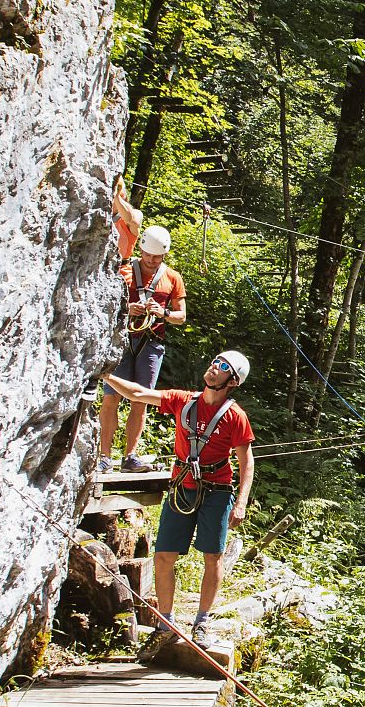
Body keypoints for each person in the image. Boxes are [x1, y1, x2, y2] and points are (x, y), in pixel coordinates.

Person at [102, 350, 255, 655]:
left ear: (232, 380)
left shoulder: (235, 416)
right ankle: (166, 624)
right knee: (164, 556)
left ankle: (201, 622)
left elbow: (246, 461)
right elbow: (139, 392)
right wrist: (104, 374)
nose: (214, 368)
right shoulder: (184, 400)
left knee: (212, 557)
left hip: (217, 491)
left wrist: (241, 502)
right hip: (181, 487)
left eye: (222, 367)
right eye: (214, 362)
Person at [97, 221, 187, 472]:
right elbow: (103, 306)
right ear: (142, 251)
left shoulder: (172, 278)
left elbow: (181, 317)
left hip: (152, 342)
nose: (151, 261)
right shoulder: (124, 271)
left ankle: (130, 456)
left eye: (157, 257)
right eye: (148, 255)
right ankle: (104, 456)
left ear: (164, 255)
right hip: (123, 340)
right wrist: (127, 310)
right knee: (111, 396)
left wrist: (163, 312)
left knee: (142, 400)